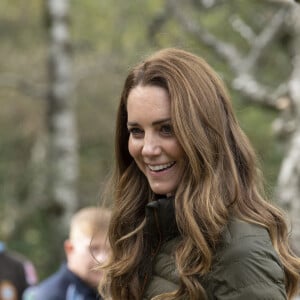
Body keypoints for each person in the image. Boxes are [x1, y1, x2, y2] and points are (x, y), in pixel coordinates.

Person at [100, 48, 300, 300]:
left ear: (205, 133)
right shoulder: (144, 231)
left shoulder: (240, 251)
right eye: (137, 131)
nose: (148, 149)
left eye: (167, 129)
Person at [23, 206, 110, 300]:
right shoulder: (51, 295)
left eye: (110, 249)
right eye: (94, 249)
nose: (103, 259)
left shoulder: (116, 292)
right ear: (70, 249)